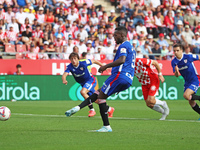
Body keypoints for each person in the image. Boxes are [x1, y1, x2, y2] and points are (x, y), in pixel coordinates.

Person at [65, 26, 136, 132]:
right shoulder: (131, 46)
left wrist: (105, 66)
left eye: (115, 35)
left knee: (100, 96)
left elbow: (122, 60)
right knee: (98, 94)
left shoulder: (123, 46)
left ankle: (106, 126)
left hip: (119, 76)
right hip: (128, 79)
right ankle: (78, 108)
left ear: (122, 35)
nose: (114, 38)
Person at [62, 52, 107, 117]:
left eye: (75, 58)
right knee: (95, 99)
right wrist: (64, 80)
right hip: (83, 84)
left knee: (83, 92)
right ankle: (109, 109)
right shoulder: (70, 67)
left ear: (78, 59)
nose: (73, 60)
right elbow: (64, 74)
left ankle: (92, 110)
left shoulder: (83, 63)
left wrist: (104, 66)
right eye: (72, 59)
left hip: (90, 80)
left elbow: (94, 61)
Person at [171, 44, 200, 119]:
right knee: (191, 102)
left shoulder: (188, 57)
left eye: (177, 50)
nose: (176, 52)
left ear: (181, 51)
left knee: (186, 95)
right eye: (174, 51)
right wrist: (177, 71)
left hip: (195, 80)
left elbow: (199, 57)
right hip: (187, 82)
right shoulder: (173, 62)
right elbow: (176, 75)